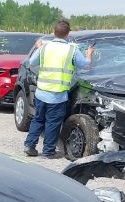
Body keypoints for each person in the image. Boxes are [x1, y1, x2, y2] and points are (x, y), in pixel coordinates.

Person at [24, 19, 93, 158]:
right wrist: (89, 53)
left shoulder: (44, 47)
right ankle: (48, 151)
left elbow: (31, 62)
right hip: (57, 95)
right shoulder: (72, 50)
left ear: (54, 32)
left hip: (41, 92)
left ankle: (29, 146)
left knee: (38, 119)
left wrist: (38, 47)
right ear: (68, 34)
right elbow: (85, 65)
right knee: (52, 122)